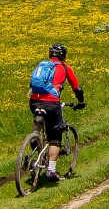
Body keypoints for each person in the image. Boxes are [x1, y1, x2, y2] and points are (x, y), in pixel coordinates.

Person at [29, 43, 85, 179]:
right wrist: (81, 102)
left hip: (33, 101)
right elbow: (77, 89)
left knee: (40, 116)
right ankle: (51, 171)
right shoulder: (65, 68)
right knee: (55, 137)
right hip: (52, 103)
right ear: (63, 56)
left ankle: (34, 137)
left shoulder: (42, 66)